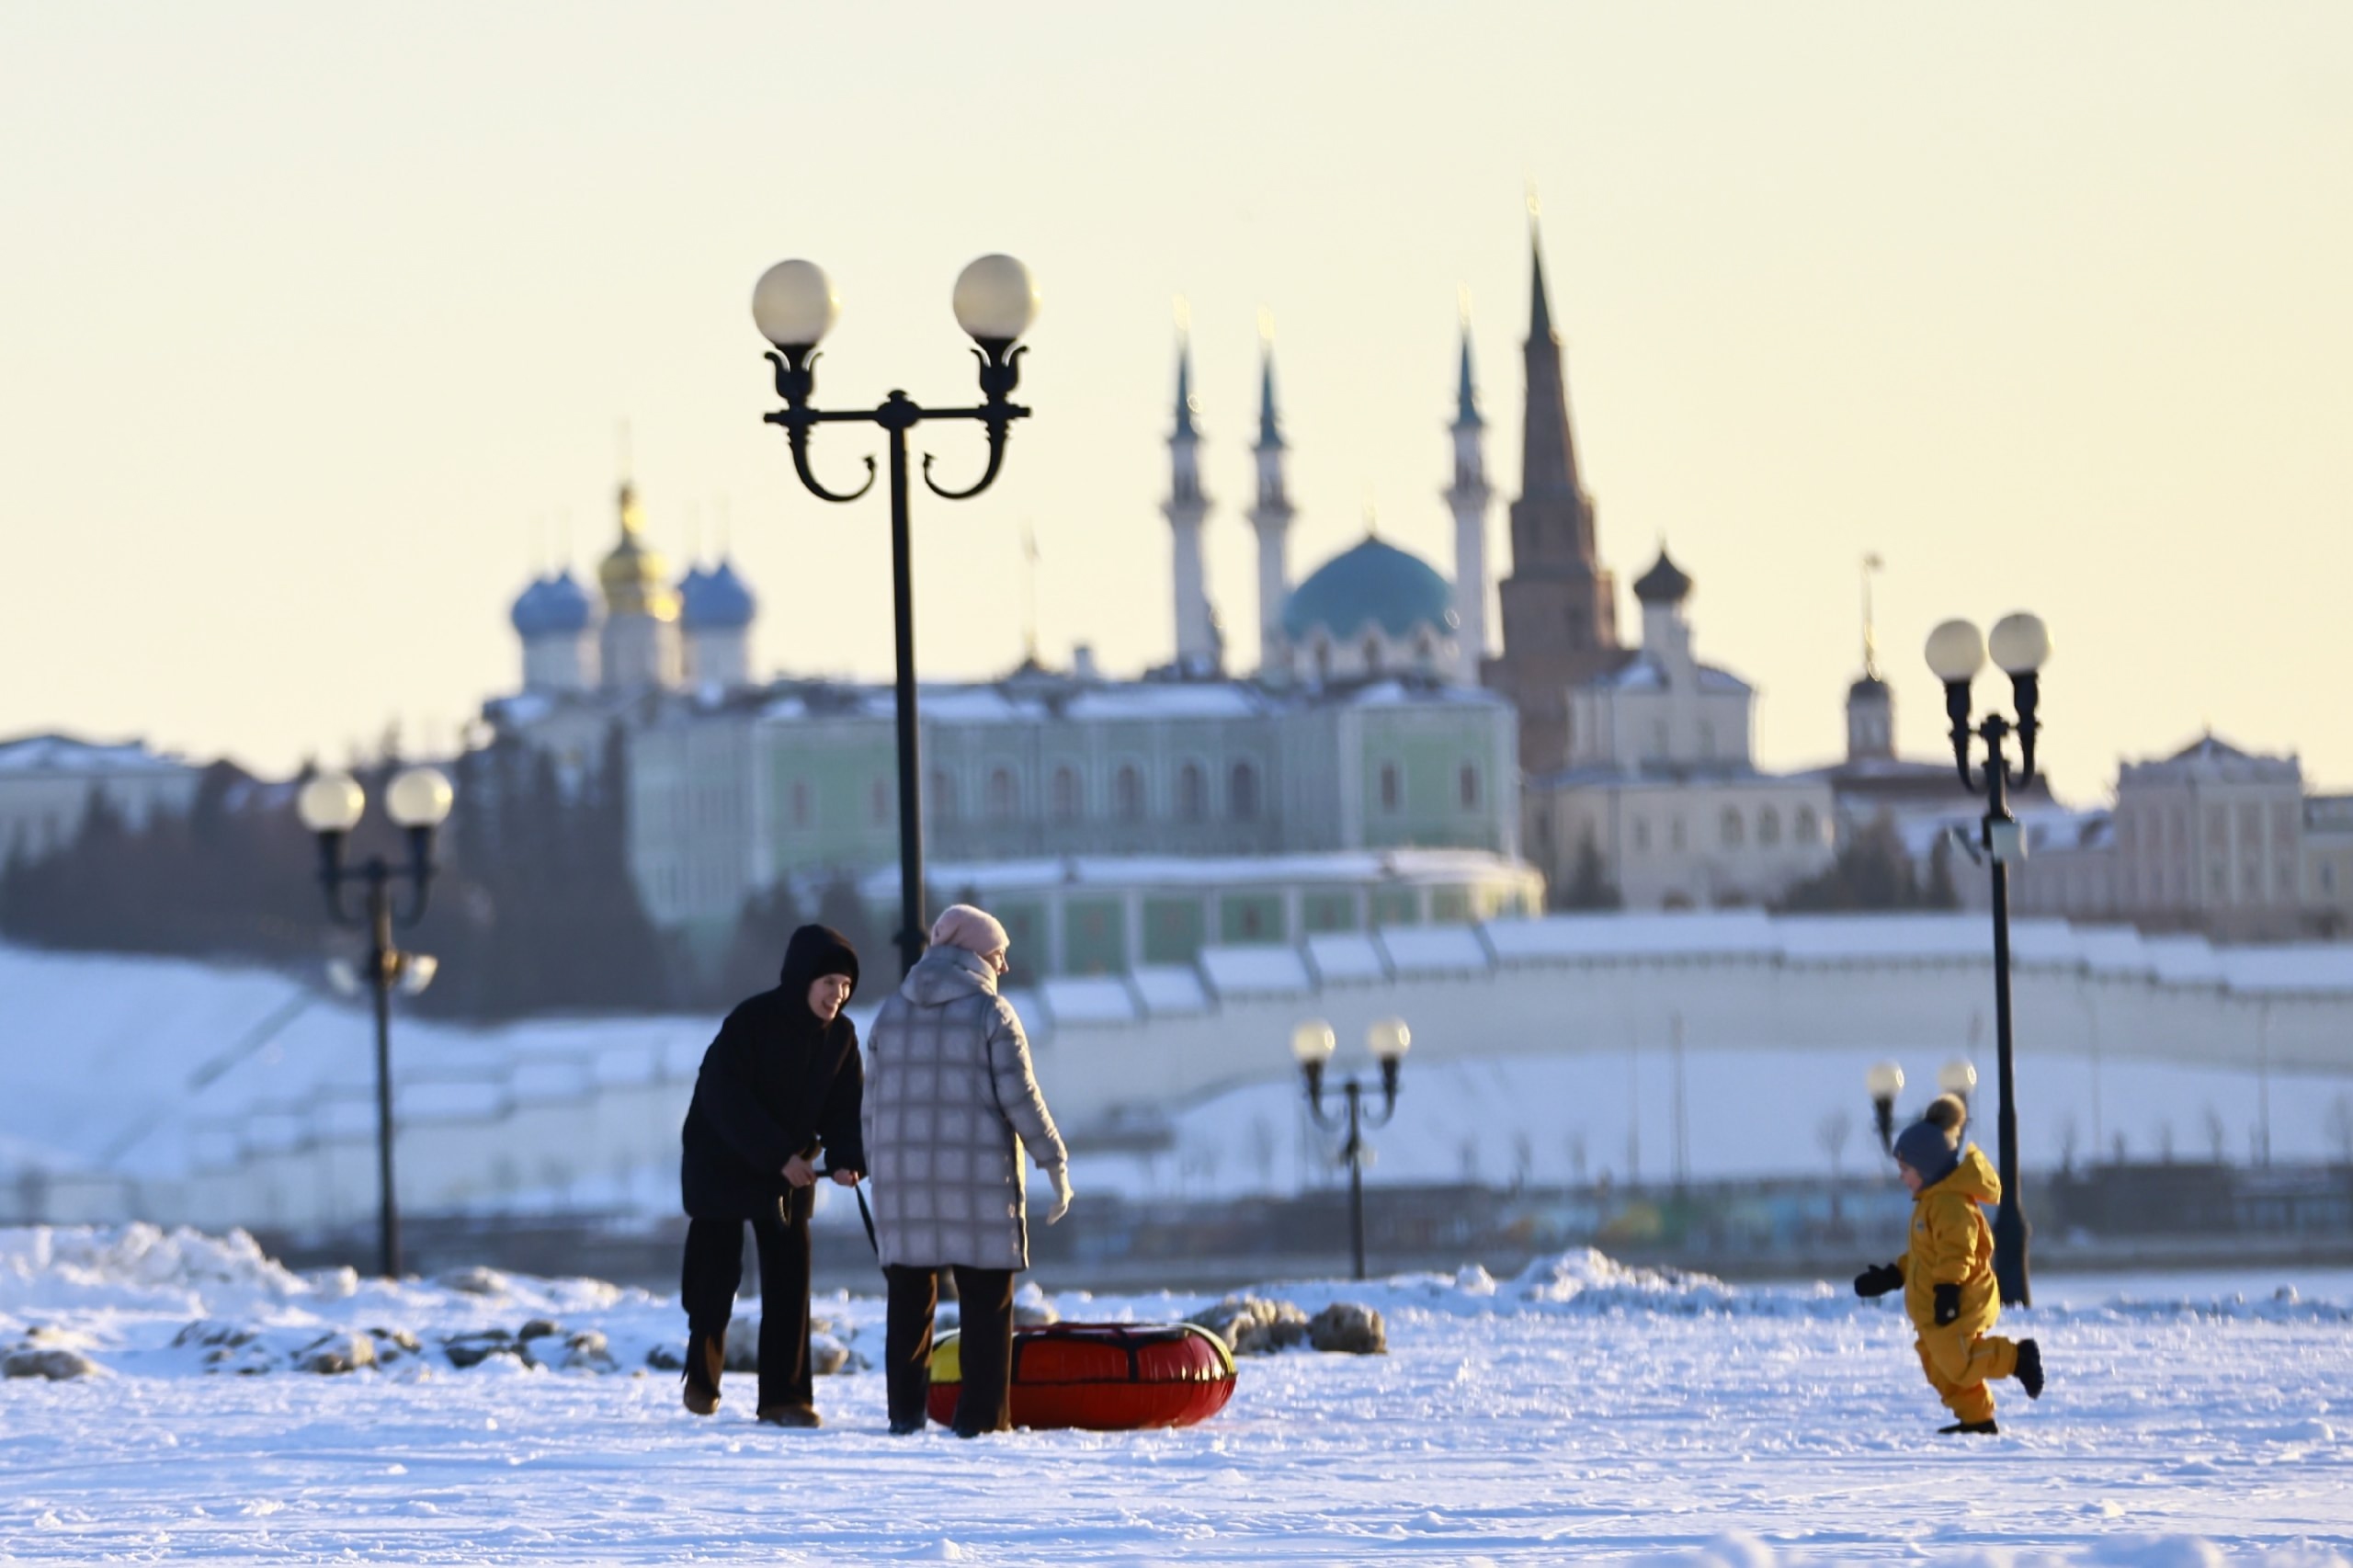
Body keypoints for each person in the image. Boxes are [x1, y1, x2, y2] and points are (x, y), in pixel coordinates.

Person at [864, 903, 1073, 1437]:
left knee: (909, 1303)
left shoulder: (890, 1013)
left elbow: (870, 1107)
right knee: (986, 1302)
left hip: (906, 1185)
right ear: (974, 952)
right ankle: (982, 1419)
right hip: (977, 1185)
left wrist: (879, 1168)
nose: (1004, 965)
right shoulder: (991, 1013)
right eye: (998, 954)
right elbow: (1021, 1099)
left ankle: (905, 1416)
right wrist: (1054, 1160)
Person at [676, 924, 866, 1428]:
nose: (838, 994)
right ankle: (702, 1378)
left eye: (846, 986)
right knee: (714, 1276)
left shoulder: (842, 1037)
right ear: (803, 979)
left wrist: (847, 1158)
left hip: (789, 1172)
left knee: (789, 1277)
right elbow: (724, 1098)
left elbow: (845, 1108)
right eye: (829, 983)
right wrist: (779, 1154)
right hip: (721, 1159)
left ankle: (786, 1398)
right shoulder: (751, 1021)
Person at [1853, 1099, 2045, 1433]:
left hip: (1961, 1297)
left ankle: (2018, 1357)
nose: (1901, 1176)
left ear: (1926, 1167)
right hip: (1934, 1306)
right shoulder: (1930, 1204)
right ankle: (1977, 1418)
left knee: (1960, 1362)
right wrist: (1892, 1275)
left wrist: (1948, 1291)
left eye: (1906, 1169)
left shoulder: (1950, 1205)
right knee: (1939, 1367)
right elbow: (1925, 1257)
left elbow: (1958, 1252)